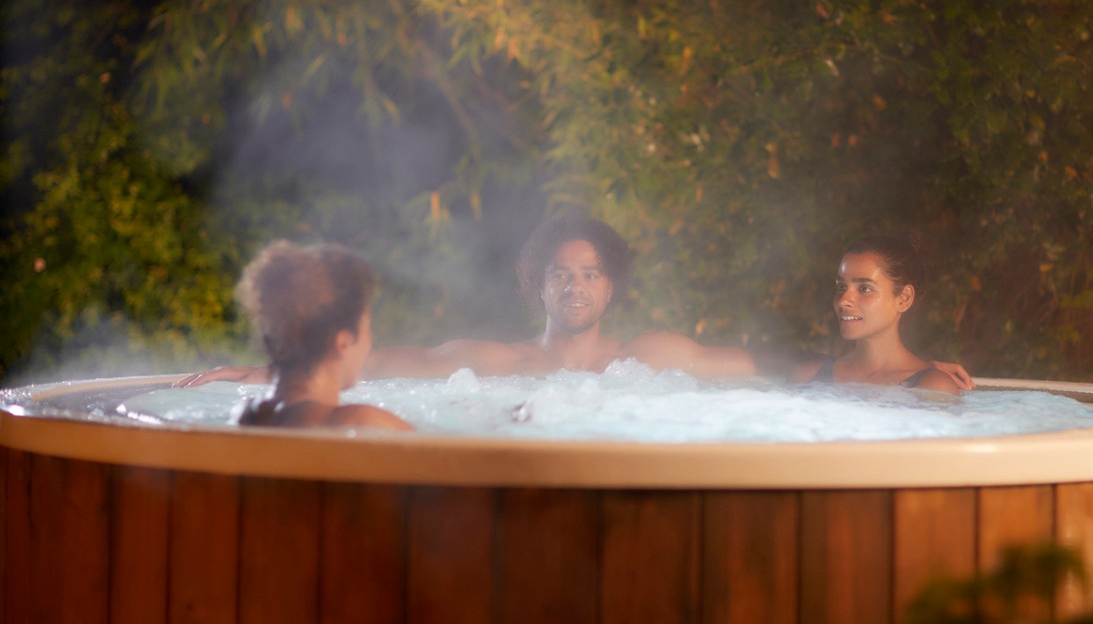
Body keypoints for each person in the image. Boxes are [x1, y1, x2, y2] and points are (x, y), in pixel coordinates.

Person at [178, 216, 973, 388]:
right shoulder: (494, 360)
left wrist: (915, 371)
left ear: (612, 285)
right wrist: (251, 375)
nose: (575, 285)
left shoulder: (655, 354)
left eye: (590, 273)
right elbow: (379, 362)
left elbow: (776, 370)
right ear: (538, 284)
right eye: (561, 273)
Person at [229, 240, 412, 430]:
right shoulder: (361, 422)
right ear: (342, 343)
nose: (369, 343)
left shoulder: (244, 415)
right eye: (367, 326)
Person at [789, 234, 962, 394]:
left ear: (903, 298)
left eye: (865, 288)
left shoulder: (931, 388)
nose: (843, 300)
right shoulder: (808, 377)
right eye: (841, 286)